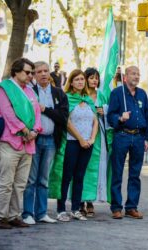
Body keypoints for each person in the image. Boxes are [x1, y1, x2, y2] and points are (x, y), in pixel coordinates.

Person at [0, 58, 42, 229]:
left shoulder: (30, 91)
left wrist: (36, 130)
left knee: (20, 183)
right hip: (9, 142)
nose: (30, 76)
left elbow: (37, 114)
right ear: (16, 71)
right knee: (6, 182)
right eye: (28, 72)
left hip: (28, 143)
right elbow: (7, 114)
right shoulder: (4, 89)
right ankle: (0, 217)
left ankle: (14, 215)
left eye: (31, 73)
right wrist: (25, 131)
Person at [22, 61, 69, 225]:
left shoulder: (58, 93)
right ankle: (27, 213)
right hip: (33, 141)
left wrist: (46, 110)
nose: (43, 74)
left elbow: (63, 119)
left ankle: (41, 213)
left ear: (50, 73)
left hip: (50, 141)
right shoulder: (29, 92)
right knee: (31, 179)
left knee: (44, 179)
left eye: (46, 71)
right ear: (33, 75)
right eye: (39, 71)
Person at [49, 69, 98, 222]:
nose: (80, 82)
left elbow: (95, 120)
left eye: (82, 79)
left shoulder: (88, 99)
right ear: (71, 82)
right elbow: (67, 122)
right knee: (67, 176)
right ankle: (61, 209)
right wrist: (80, 139)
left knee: (80, 176)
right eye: (76, 79)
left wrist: (91, 139)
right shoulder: (67, 98)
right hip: (72, 142)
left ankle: (76, 209)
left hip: (88, 144)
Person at [107, 66, 148, 219]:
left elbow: (146, 115)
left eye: (138, 74)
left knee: (135, 174)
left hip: (138, 137)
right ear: (125, 77)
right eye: (133, 73)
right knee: (117, 172)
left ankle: (131, 207)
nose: (136, 76)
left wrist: (146, 138)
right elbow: (110, 116)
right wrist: (120, 118)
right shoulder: (117, 93)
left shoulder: (142, 94)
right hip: (122, 135)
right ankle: (116, 208)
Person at [79, 67, 110, 217]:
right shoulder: (80, 95)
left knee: (94, 168)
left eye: (96, 77)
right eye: (91, 77)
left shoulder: (101, 95)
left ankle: (90, 200)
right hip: (81, 135)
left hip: (98, 137)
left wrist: (105, 110)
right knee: (81, 168)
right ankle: (79, 201)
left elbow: (110, 111)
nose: (94, 80)